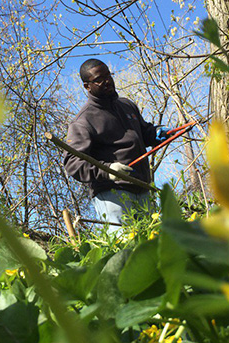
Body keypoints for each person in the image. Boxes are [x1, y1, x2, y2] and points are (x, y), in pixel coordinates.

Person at [63, 58, 169, 233]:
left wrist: (157, 133)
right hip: (112, 193)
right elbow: (73, 164)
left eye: (108, 75)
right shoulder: (83, 121)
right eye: (99, 79)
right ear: (87, 86)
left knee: (153, 244)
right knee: (125, 248)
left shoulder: (127, 105)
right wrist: (109, 170)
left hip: (142, 187)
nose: (107, 81)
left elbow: (143, 133)